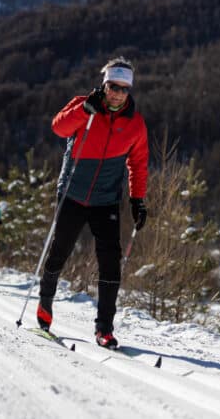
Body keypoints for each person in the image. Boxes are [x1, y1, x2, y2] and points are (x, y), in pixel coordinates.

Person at [37, 56, 149, 348]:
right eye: (113, 86)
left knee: (111, 262)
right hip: (72, 193)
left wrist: (138, 200)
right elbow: (58, 128)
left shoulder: (135, 124)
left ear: (130, 91)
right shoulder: (83, 106)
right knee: (60, 250)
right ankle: (45, 302)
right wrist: (82, 110)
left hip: (106, 200)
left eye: (124, 89)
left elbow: (138, 164)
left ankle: (104, 328)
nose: (118, 94)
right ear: (104, 85)